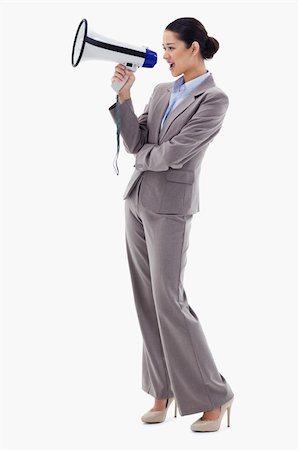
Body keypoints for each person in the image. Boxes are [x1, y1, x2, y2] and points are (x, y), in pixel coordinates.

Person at [108, 17, 234, 432]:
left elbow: (175, 153)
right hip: (137, 201)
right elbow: (135, 140)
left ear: (194, 48)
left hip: (171, 207)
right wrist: (124, 98)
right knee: (146, 300)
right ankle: (162, 390)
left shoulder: (214, 100)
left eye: (171, 49)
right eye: (163, 48)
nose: (164, 57)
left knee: (169, 299)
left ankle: (214, 395)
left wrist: (143, 156)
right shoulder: (162, 91)